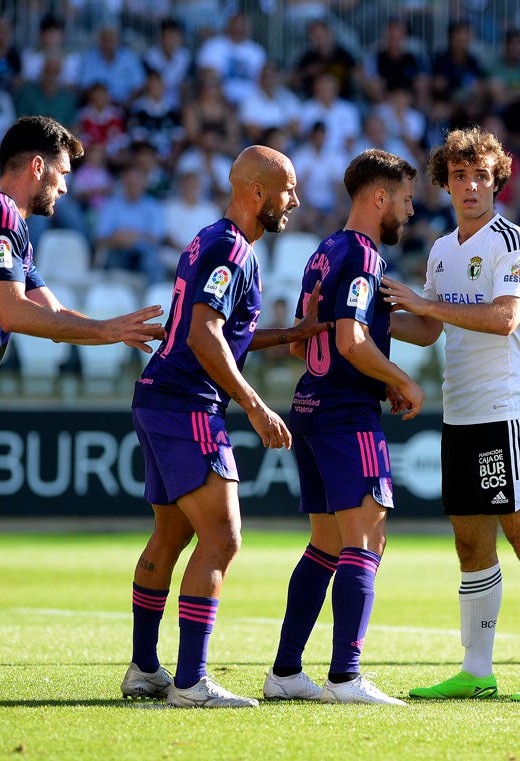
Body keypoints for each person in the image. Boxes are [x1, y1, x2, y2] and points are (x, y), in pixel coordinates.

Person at [0, 116, 165, 706]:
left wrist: (111, 333)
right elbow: (17, 315)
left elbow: (54, 313)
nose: (65, 189)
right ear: (37, 166)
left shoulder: (10, 227)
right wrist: (105, 327)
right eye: (63, 174)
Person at [122, 145, 329, 709]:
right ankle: (190, 682)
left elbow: (222, 333)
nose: (296, 199)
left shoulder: (215, 241)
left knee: (172, 535)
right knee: (223, 538)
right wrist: (257, 406)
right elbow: (202, 335)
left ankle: (145, 668)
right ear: (256, 192)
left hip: (160, 397)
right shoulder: (232, 249)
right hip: (187, 404)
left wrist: (285, 336)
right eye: (288, 188)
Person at [380, 126, 520, 703]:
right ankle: (477, 670)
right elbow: (429, 328)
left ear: (498, 181)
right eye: (459, 176)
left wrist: (421, 301)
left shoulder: (512, 242)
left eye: (481, 176)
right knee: (470, 544)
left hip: (507, 409)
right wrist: (373, 311)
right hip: (460, 410)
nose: (470, 186)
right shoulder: (442, 249)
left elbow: (506, 318)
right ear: (444, 182)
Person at [266, 149, 424, 706]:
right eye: (404, 200)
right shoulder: (362, 257)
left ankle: (286, 672)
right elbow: (351, 342)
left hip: (308, 406)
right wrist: (402, 381)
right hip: (344, 413)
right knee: (367, 538)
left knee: (326, 543)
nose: (409, 211)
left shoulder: (324, 252)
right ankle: (345, 677)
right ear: (378, 198)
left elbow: (300, 339)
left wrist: (418, 315)